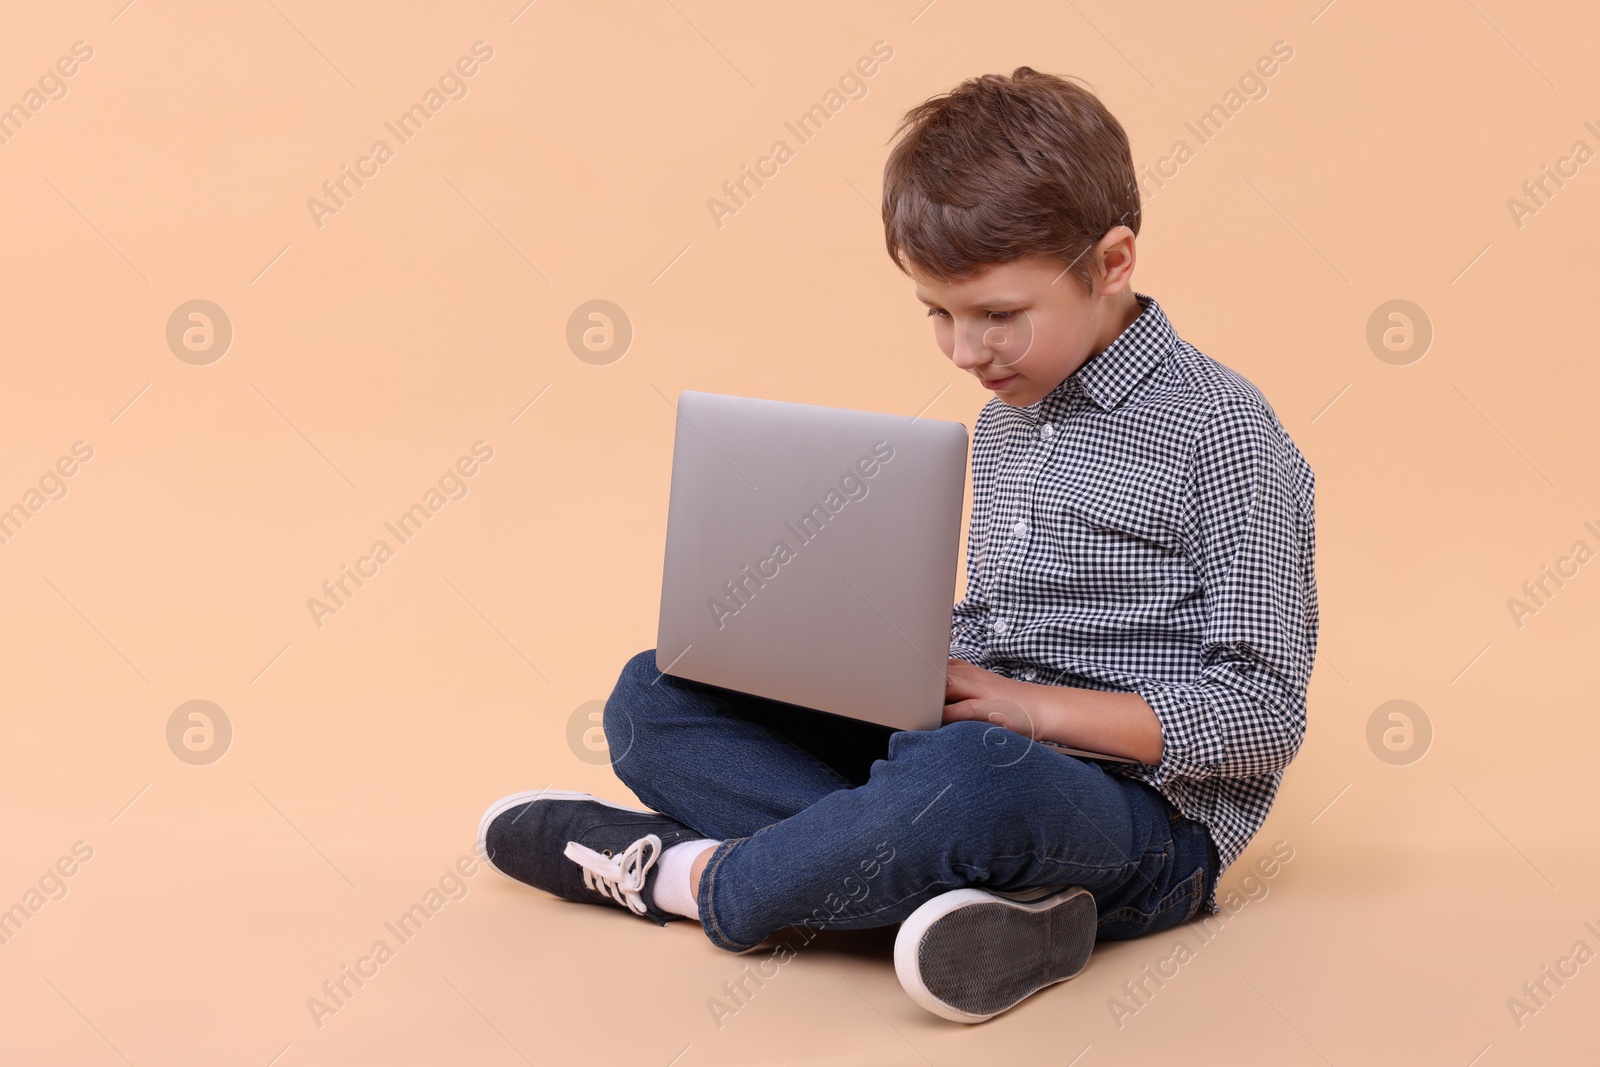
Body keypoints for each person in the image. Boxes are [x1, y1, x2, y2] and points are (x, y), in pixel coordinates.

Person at [478, 66, 1319, 1024]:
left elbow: (1261, 714)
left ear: (1114, 261)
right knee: (652, 694)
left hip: (1142, 822)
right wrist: (888, 663)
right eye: (939, 316)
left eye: (998, 314)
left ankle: (693, 877)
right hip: (970, 749)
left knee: (962, 782)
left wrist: (1025, 711)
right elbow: (999, 623)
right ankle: (978, 906)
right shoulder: (1011, 420)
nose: (966, 353)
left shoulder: (1225, 433)